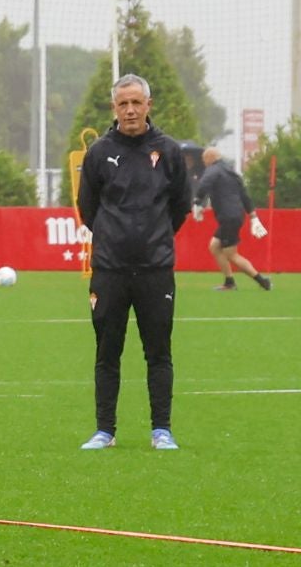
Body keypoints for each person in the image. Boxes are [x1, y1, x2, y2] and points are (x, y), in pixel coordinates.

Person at [75, 75, 193, 451]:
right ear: (114, 108)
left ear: (148, 104)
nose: (130, 110)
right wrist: (114, 237)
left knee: (158, 352)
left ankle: (162, 430)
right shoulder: (98, 153)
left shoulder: (169, 151)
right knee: (107, 352)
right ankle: (105, 431)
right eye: (123, 104)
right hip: (109, 270)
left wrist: (153, 238)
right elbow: (88, 208)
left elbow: (180, 207)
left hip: (156, 270)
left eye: (136, 103)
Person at [193, 147, 272, 292]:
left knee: (231, 254)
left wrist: (198, 202)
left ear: (210, 158)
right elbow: (244, 195)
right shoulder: (231, 172)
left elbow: (204, 183)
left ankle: (262, 280)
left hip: (228, 217)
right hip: (236, 215)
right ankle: (229, 281)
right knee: (215, 247)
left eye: (204, 160)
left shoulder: (213, 169)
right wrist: (253, 216)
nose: (204, 164)